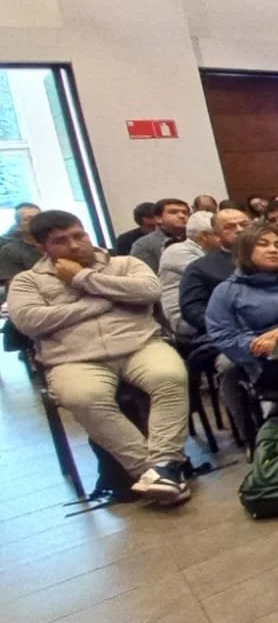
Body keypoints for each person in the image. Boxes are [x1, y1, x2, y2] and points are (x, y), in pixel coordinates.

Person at [8, 210, 192, 505]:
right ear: (43, 247)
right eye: (60, 241)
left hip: (139, 345)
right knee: (83, 397)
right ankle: (156, 472)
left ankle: (163, 465)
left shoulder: (124, 263)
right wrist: (105, 301)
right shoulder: (28, 282)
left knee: (169, 376)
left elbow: (149, 290)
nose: (74, 245)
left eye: (79, 235)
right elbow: (30, 321)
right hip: (73, 359)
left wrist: (83, 279)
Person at [203, 223, 278, 380]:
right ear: (245, 251)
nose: (273, 250)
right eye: (263, 245)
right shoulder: (227, 291)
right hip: (263, 356)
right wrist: (257, 345)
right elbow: (223, 334)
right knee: (229, 367)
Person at [178, 204, 252, 334]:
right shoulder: (200, 268)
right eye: (229, 227)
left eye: (244, 224)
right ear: (217, 235)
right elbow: (193, 310)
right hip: (232, 333)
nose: (239, 229)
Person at [158, 210, 220, 337]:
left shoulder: (213, 252)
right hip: (187, 320)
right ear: (204, 236)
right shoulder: (177, 251)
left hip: (210, 310)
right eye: (218, 234)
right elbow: (218, 278)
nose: (223, 237)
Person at [130, 197, 190, 270]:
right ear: (159, 218)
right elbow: (148, 278)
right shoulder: (144, 245)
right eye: (173, 212)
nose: (182, 216)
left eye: (185, 213)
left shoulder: (199, 238)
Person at [0, 203, 42, 300]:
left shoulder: (57, 244)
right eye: (29, 219)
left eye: (39, 218)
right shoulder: (10, 250)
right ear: (18, 226)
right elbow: (15, 289)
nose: (36, 222)